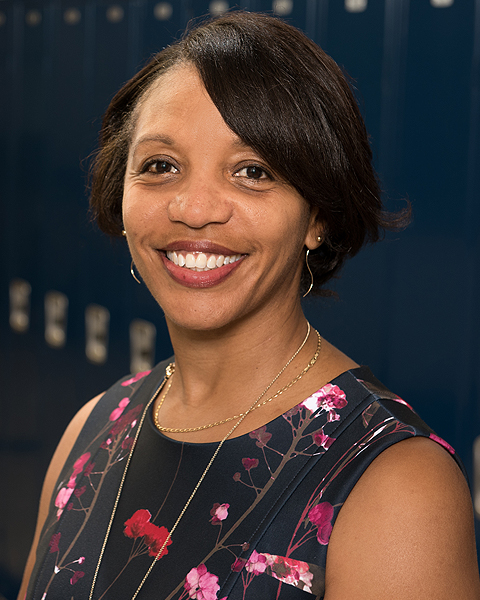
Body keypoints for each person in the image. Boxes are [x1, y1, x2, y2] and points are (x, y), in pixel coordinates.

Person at [19, 11, 480, 600]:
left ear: (317, 217)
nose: (194, 209)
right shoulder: (93, 431)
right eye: (161, 166)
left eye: (252, 172)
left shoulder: (395, 487)